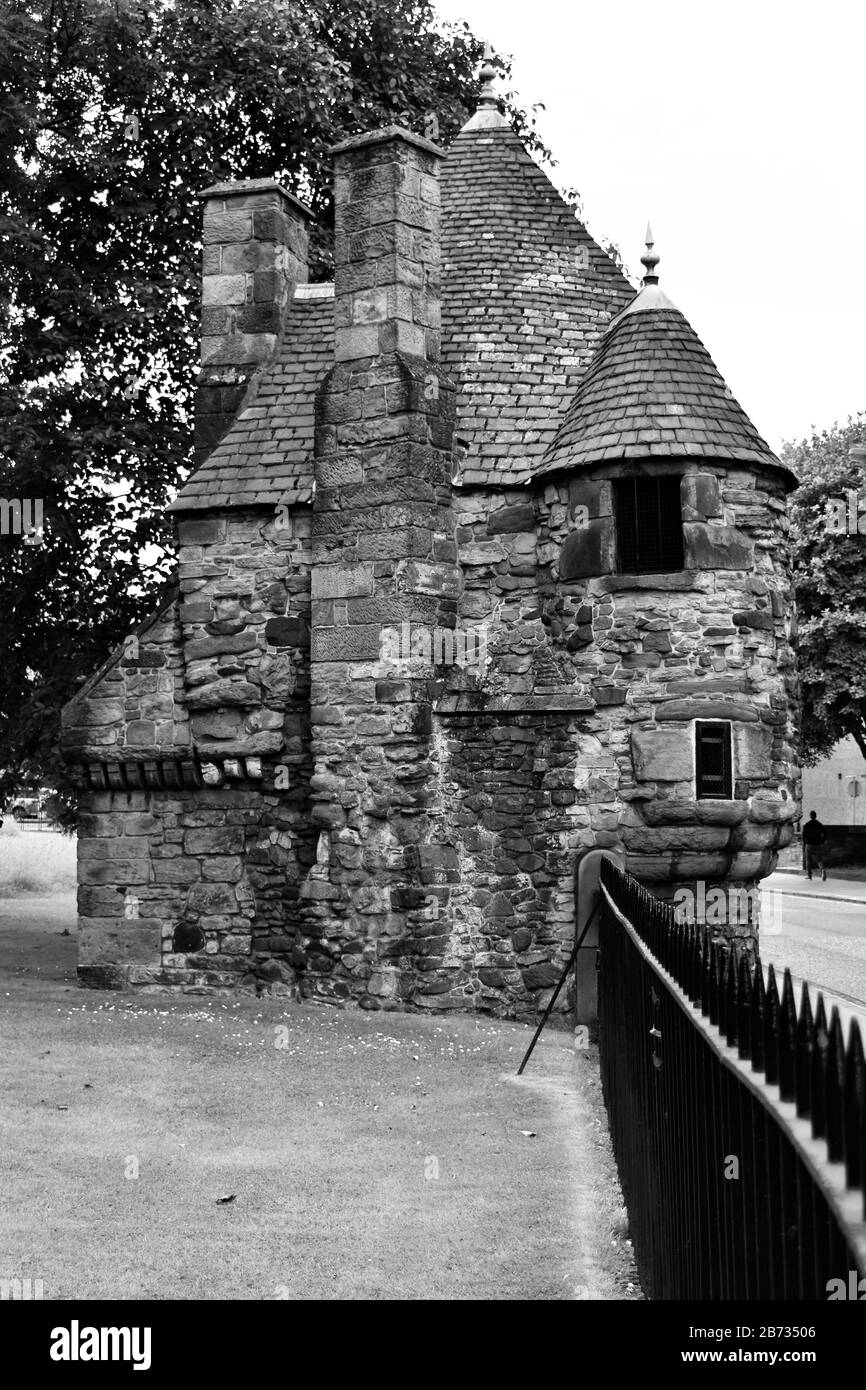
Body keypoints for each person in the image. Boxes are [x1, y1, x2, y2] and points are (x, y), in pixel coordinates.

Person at [802, 811, 827, 881]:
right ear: (816, 816)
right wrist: (821, 841)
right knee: (819, 859)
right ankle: (823, 870)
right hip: (817, 844)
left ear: (810, 816)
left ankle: (809, 876)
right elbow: (825, 833)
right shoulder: (819, 824)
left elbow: (804, 835)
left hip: (809, 845)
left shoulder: (807, 825)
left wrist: (805, 842)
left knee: (808, 860)